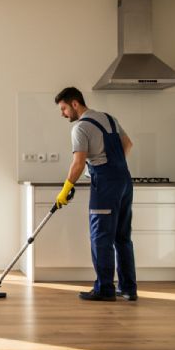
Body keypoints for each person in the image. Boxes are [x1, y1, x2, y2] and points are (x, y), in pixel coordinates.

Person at [53, 87, 137, 302]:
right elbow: (128, 144)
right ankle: (128, 288)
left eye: (63, 109)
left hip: (106, 184)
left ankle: (105, 289)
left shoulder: (80, 128)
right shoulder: (109, 118)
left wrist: (65, 189)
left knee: (100, 237)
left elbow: (78, 163)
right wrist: (115, 167)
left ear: (74, 104)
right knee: (122, 237)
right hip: (125, 181)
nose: (62, 114)